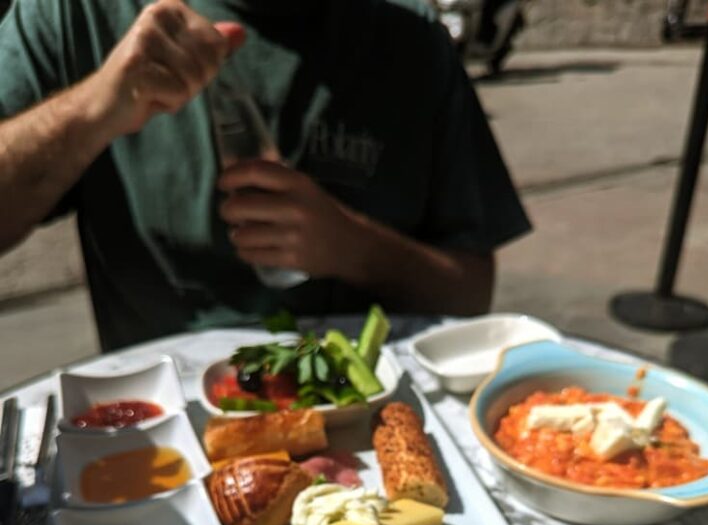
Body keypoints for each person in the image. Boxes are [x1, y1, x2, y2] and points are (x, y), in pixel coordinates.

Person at [0, 0, 530, 351]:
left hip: (368, 425)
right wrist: (91, 109)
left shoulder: (412, 40)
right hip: (157, 440)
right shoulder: (79, 13)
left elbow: (470, 294)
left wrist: (353, 248)